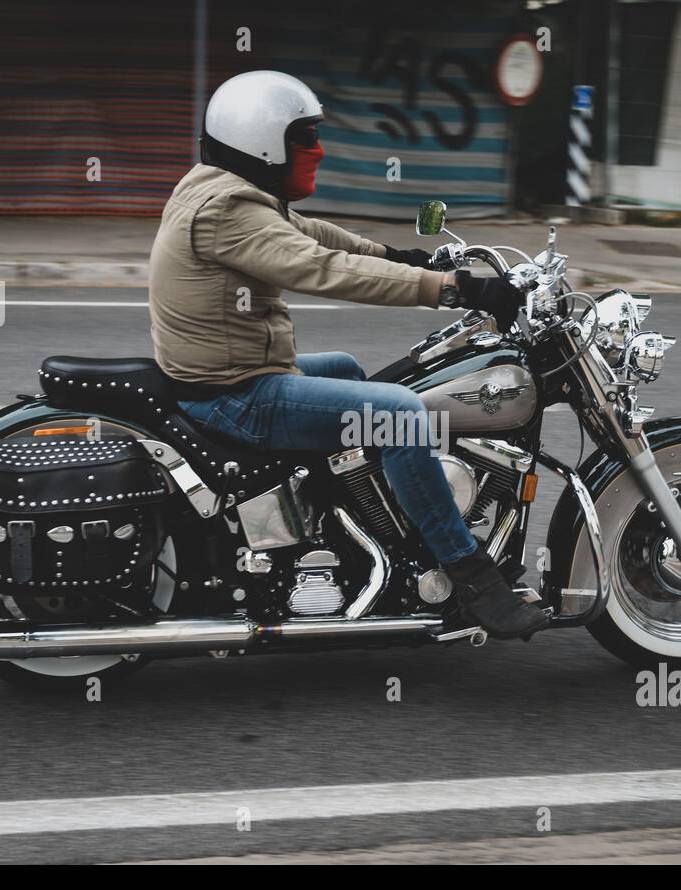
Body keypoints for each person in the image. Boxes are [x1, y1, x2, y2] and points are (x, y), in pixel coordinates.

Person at [148, 70, 547, 640]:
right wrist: (455, 289)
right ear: (263, 140)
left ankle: (360, 521)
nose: (319, 149)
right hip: (235, 395)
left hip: (234, 372)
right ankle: (470, 574)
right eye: (305, 137)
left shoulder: (220, 187)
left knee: (346, 370)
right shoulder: (226, 210)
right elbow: (323, 269)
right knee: (401, 413)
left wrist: (407, 256)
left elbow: (317, 237)